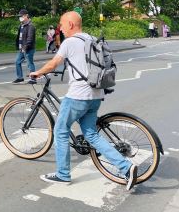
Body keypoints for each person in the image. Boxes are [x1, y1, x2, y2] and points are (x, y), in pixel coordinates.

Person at [29, 11, 138, 190]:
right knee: (92, 135)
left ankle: (63, 174)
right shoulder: (92, 38)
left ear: (71, 25)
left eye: (62, 24)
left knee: (61, 131)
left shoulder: (70, 42)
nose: (60, 28)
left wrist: (37, 72)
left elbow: (53, 63)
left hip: (78, 96)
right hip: (96, 94)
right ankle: (126, 168)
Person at [12, 9, 36, 84]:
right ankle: (20, 77)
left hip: (28, 48)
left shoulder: (30, 26)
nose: (20, 18)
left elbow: (30, 38)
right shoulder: (22, 25)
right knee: (17, 62)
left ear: (26, 16)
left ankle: (33, 79)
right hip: (22, 49)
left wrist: (25, 47)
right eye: (19, 16)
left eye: (21, 16)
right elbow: (20, 36)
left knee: (30, 63)